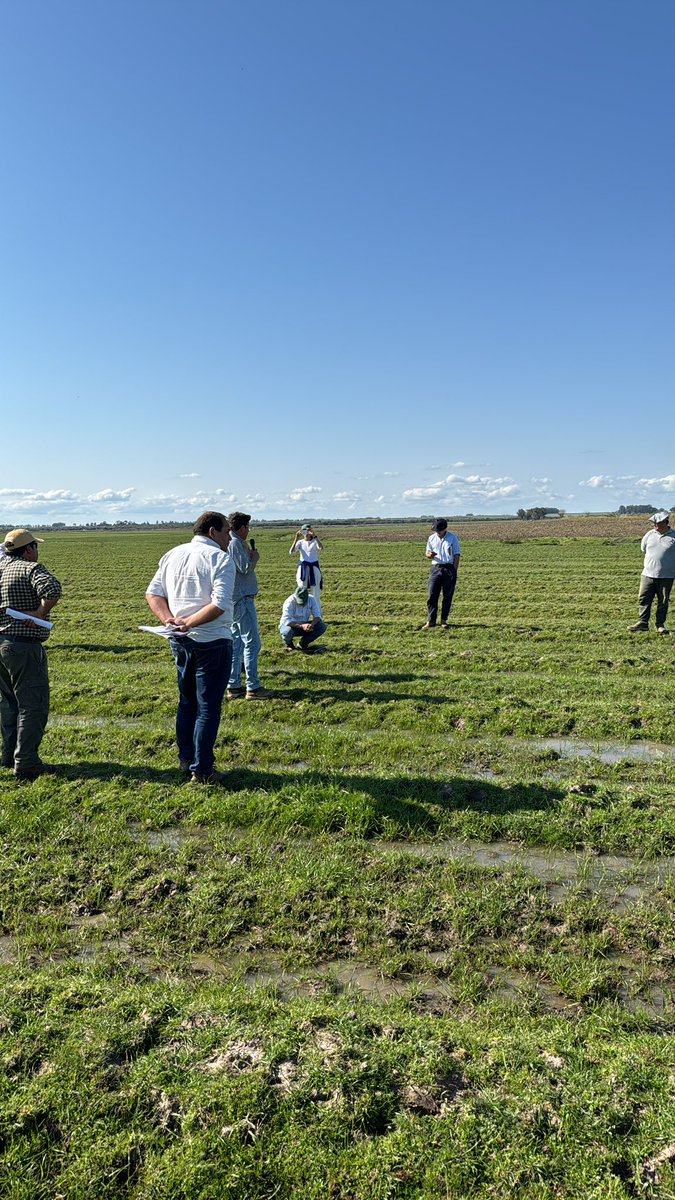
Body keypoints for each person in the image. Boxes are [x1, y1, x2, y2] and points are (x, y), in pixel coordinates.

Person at [145, 511, 235, 784]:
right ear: (212, 532)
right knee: (208, 707)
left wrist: (169, 620)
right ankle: (203, 769)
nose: (229, 537)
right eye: (226, 531)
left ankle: (186, 759)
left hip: (179, 640)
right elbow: (219, 604)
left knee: (187, 702)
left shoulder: (173, 554)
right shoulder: (220, 558)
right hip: (212, 640)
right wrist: (189, 622)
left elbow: (153, 593)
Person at [0, 528, 62, 779]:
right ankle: (26, 762)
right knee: (32, 705)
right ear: (28, 550)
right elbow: (52, 590)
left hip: (1, 643)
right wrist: (39, 613)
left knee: (8, 704)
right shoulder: (30, 569)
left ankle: (8, 755)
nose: (37, 550)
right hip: (23, 646)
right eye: (35, 546)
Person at [226, 512, 270, 701]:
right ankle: (253, 687)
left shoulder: (232, 542)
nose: (248, 531)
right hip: (242, 598)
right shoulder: (235, 543)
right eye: (248, 527)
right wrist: (255, 558)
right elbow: (244, 568)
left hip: (236, 599)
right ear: (242, 528)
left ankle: (234, 685)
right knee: (252, 643)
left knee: (237, 642)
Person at [628, 510, 675, 634]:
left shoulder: (673, 536)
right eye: (654, 523)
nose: (654, 525)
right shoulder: (649, 534)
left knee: (663, 601)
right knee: (643, 599)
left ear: (665, 523)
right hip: (648, 574)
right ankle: (643, 623)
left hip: (667, 576)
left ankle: (660, 625)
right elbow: (643, 549)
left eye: (657, 523)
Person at [423, 518, 461, 629]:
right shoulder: (431, 538)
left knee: (447, 596)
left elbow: (457, 555)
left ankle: (444, 620)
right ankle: (431, 621)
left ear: (445, 528)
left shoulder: (453, 538)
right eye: (436, 530)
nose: (437, 532)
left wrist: (454, 571)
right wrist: (430, 555)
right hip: (435, 568)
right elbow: (427, 553)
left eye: (439, 530)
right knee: (432, 596)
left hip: (449, 568)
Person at [279, 584, 326, 653]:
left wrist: (311, 625)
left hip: (305, 624)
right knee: (287, 631)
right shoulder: (289, 602)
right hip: (290, 625)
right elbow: (286, 621)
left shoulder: (312, 599)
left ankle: (303, 644)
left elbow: (317, 616)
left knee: (321, 626)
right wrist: (301, 626)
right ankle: (289, 645)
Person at [289, 523, 324, 616]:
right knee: (301, 590)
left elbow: (321, 547)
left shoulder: (315, 541)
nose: (307, 533)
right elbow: (291, 552)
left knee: (315, 592)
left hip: (314, 567)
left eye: (308, 530)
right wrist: (296, 538)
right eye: (305, 531)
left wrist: (315, 536)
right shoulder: (300, 542)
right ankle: (301, 614)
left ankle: (318, 615)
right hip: (303, 568)